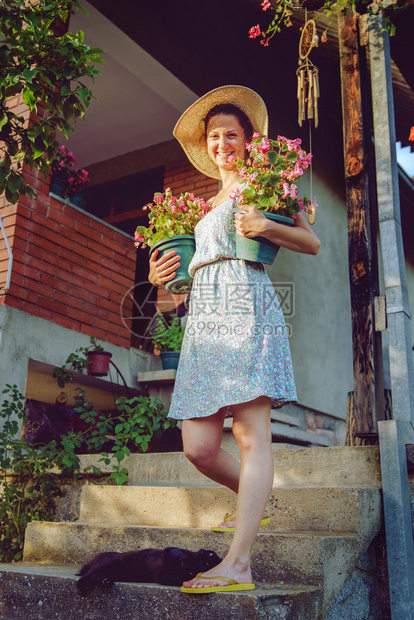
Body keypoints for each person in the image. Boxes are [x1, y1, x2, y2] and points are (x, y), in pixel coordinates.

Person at [148, 85, 320, 593]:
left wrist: (267, 223)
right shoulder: (204, 208)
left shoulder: (266, 185)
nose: (222, 142)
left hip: (247, 307)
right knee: (198, 446)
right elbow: (174, 295)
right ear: (208, 146)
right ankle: (256, 499)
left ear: (248, 141)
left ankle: (238, 564)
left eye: (232, 134)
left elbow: (310, 243)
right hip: (204, 322)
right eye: (215, 136)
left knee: (249, 435)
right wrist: (161, 283)